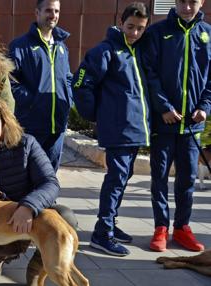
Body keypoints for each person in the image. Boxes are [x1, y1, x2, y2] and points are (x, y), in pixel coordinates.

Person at [0, 95, 76, 286]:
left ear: (3, 119)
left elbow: (50, 183)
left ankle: (39, 265)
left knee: (65, 217)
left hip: (27, 216)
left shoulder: (26, 144)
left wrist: (28, 207)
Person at [72, 2, 150, 256]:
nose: (135, 33)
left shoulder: (136, 52)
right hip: (118, 129)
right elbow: (81, 83)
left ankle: (111, 224)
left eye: (140, 28)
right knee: (115, 180)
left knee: (123, 179)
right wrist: (96, 115)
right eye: (130, 27)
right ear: (120, 22)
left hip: (134, 129)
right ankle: (101, 233)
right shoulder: (106, 51)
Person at [143, 0, 210, 253]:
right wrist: (163, 108)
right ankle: (161, 228)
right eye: (182, 1)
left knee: (187, 180)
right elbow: (149, 73)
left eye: (192, 1)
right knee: (159, 178)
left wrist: (205, 107)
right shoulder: (158, 32)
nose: (187, 6)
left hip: (192, 126)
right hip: (165, 123)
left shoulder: (207, 34)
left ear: (201, 2)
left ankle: (182, 228)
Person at [8, 0, 73, 172]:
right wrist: (31, 101)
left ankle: (48, 200)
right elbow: (11, 81)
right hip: (32, 124)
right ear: (37, 13)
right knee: (27, 172)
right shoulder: (20, 46)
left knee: (50, 173)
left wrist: (68, 101)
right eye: (48, 11)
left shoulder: (61, 47)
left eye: (57, 11)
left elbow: (67, 78)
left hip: (57, 124)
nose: (53, 15)